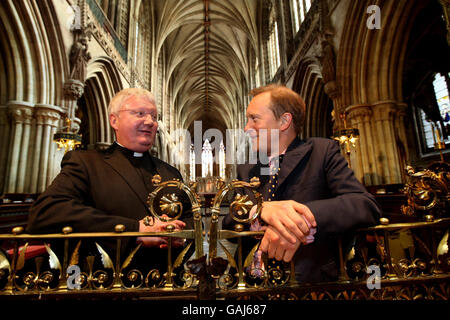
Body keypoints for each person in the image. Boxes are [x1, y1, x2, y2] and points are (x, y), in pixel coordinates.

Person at [222, 84, 382, 283]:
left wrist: (299, 219)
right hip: (252, 284)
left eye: (254, 119)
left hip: (309, 283)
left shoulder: (321, 152)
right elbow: (228, 223)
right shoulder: (247, 168)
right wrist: (258, 211)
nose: (246, 128)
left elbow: (365, 206)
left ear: (284, 121)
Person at [27, 88, 190, 254]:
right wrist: (136, 230)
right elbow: (45, 213)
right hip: (108, 276)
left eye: (154, 117)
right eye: (140, 114)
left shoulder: (171, 174)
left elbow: (192, 221)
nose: (150, 121)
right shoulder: (86, 163)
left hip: (167, 275)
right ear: (114, 121)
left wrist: (181, 237)